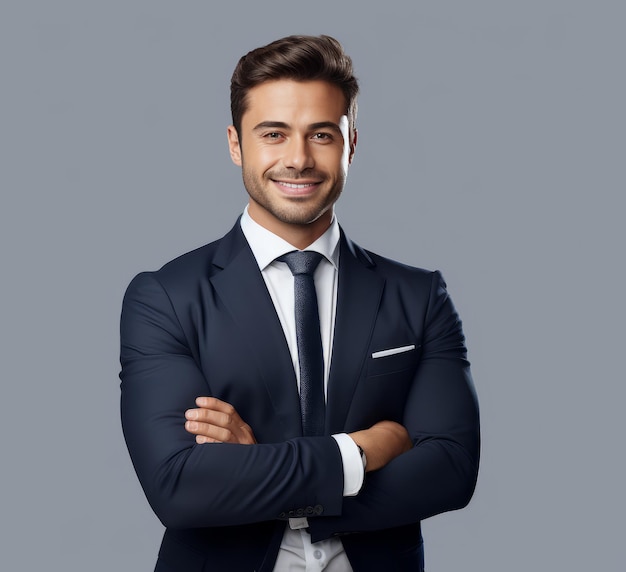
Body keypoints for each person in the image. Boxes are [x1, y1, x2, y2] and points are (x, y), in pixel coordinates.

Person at [120, 34, 480, 572]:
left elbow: (451, 469)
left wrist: (259, 472)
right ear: (236, 143)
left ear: (351, 144)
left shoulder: (419, 295)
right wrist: (363, 451)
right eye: (273, 134)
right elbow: (180, 487)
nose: (298, 159)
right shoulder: (166, 297)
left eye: (321, 134)